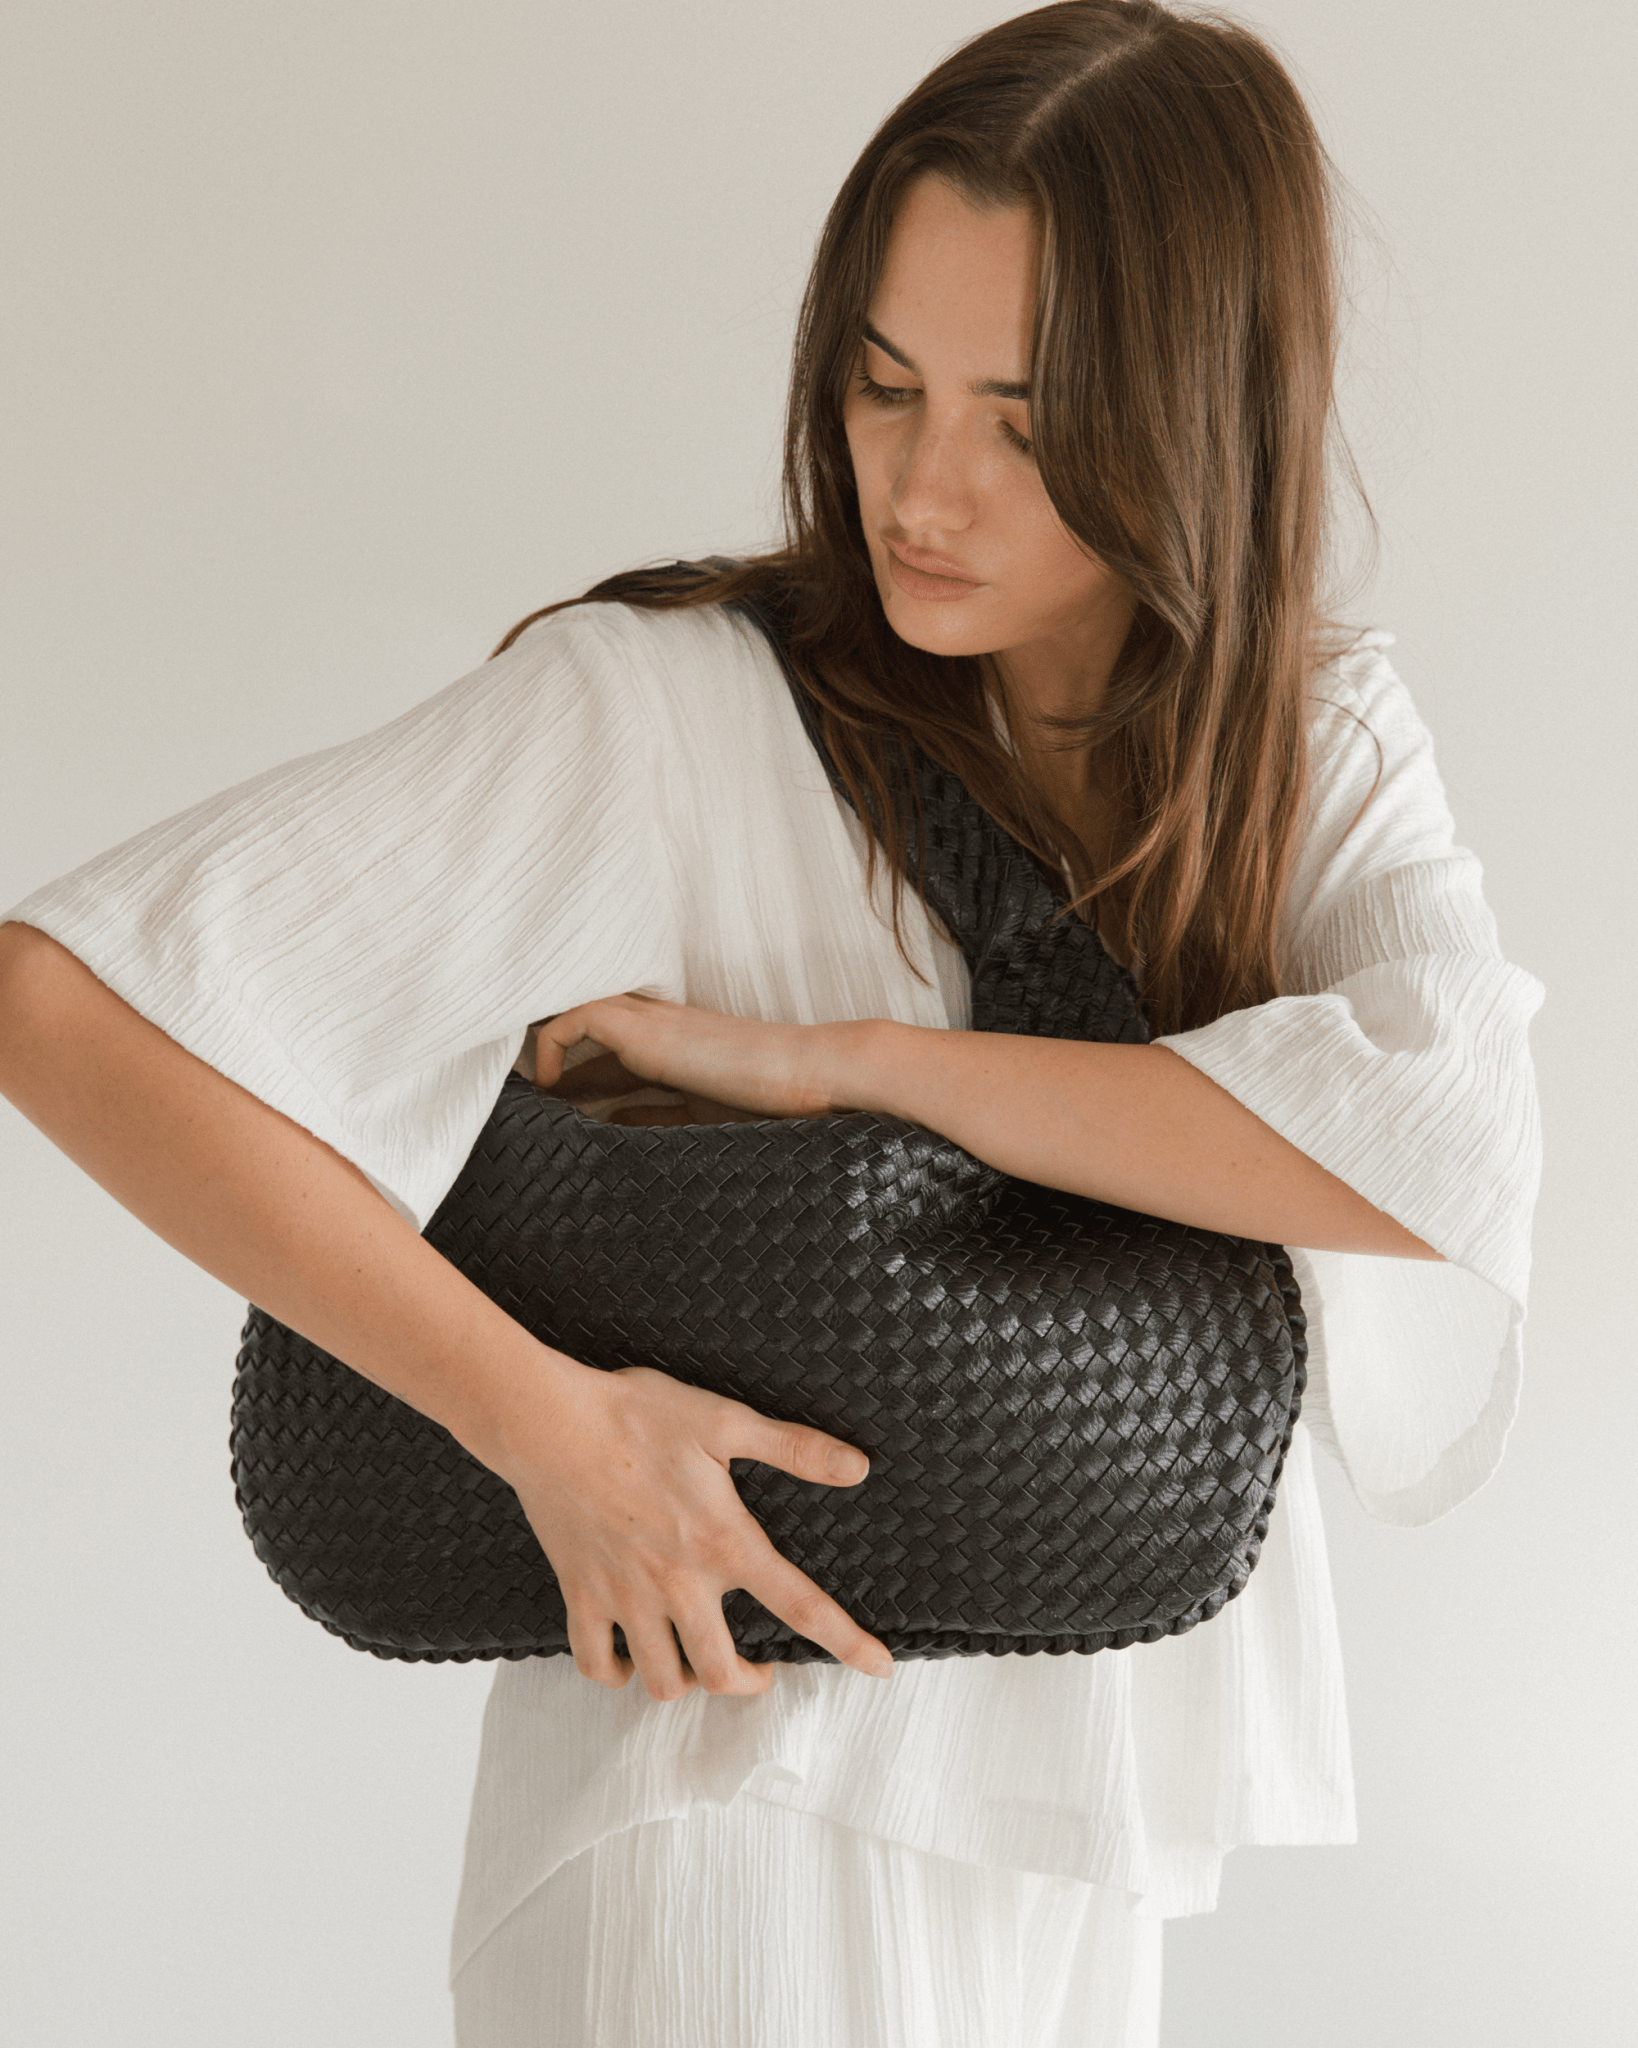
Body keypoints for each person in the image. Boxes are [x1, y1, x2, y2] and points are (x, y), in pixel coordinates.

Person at [0, 3, 1541, 2043]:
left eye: (1026, 415)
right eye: (886, 385)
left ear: (1198, 411)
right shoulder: (671, 712)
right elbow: (68, 999)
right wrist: (545, 1426)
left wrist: (854, 1063)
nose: (923, 485)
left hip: (1069, 1809)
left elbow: (1448, 1137)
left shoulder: (1302, 736)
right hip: (714, 1818)